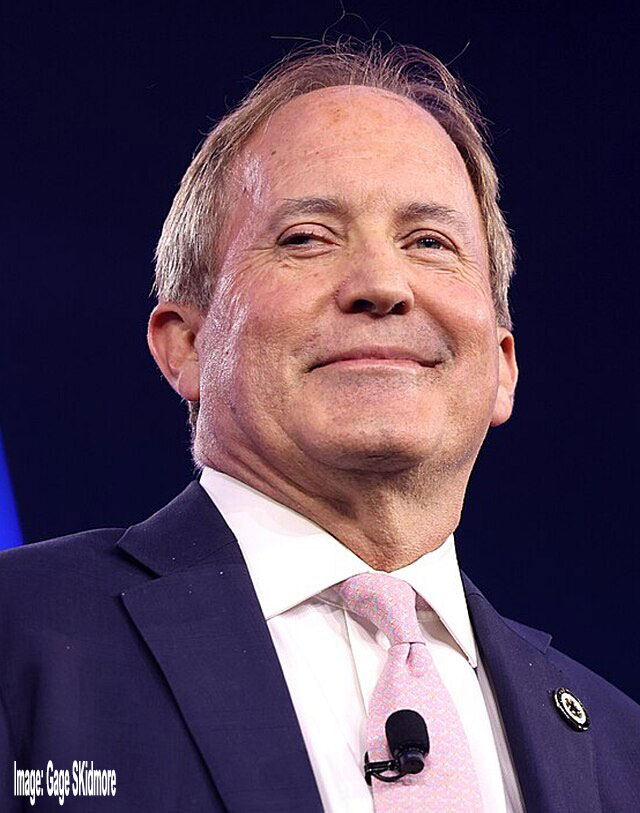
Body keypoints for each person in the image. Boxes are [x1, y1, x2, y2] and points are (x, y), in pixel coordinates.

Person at [0, 41, 638, 812]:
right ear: (188, 344)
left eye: (429, 242)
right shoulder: (20, 640)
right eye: (306, 236)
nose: (383, 284)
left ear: (502, 364)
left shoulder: (622, 749)